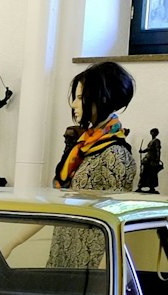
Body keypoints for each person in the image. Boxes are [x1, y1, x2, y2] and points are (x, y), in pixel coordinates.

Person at [51, 61, 137, 265]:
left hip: (92, 264)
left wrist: (107, 279)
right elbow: (61, 201)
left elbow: (117, 220)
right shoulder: (82, 148)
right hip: (64, 252)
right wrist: (14, 241)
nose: (74, 104)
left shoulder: (115, 154)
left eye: (80, 98)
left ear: (103, 98)